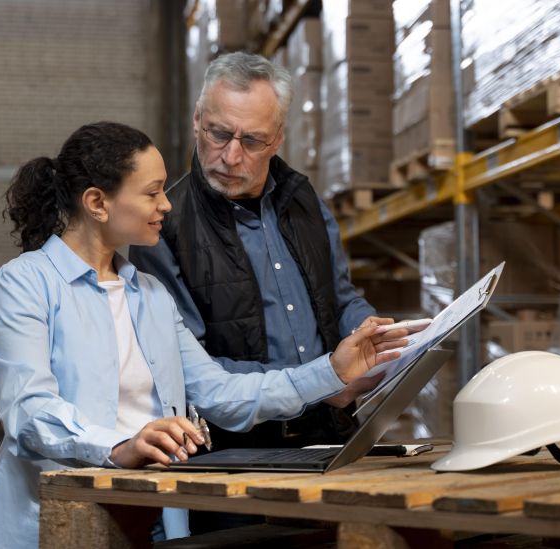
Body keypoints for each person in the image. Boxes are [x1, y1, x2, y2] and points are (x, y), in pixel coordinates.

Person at [0, 121, 400, 549]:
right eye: (152, 192)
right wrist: (119, 447)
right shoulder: (26, 283)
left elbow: (220, 392)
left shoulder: (151, 295)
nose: (166, 205)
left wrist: (332, 371)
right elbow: (28, 411)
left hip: (148, 519)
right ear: (97, 202)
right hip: (47, 526)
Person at [128, 52, 410, 533]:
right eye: (219, 133)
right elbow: (192, 370)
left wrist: (377, 338)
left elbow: (340, 298)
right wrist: (324, 380)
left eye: (252, 141)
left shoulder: (304, 200)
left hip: (329, 440)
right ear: (197, 120)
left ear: (278, 138)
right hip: (233, 458)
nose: (230, 156)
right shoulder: (164, 229)